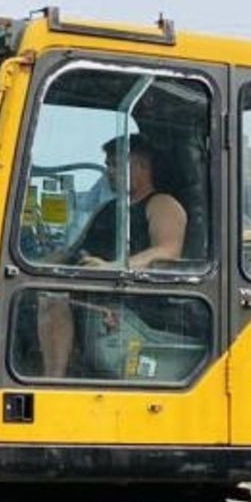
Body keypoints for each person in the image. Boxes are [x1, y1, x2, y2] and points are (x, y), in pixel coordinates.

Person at [34, 135, 188, 377]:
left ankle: (51, 381)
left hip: (129, 298)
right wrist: (29, 268)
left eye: (115, 165)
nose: (109, 172)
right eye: (108, 165)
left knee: (53, 298)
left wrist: (113, 267)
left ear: (141, 167)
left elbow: (167, 251)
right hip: (92, 290)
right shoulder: (108, 208)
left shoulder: (162, 204)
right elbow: (70, 252)